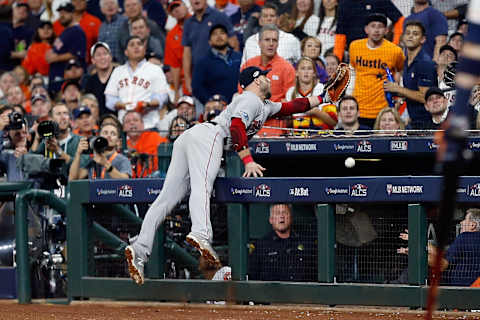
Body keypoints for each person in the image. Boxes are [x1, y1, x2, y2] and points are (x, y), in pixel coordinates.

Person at [125, 66, 335, 285]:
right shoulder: (250, 99)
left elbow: (293, 106)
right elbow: (236, 127)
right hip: (211, 136)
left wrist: (323, 97)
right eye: (264, 76)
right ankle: (201, 234)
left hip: (191, 137)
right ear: (255, 81)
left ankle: (140, 249)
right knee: (202, 187)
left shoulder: (264, 105)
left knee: (165, 200)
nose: (269, 78)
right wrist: (248, 159)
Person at [349, 13, 404, 128]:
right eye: (373, 26)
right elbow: (352, 72)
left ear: (386, 30)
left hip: (383, 111)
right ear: (366, 29)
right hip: (359, 108)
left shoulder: (395, 51)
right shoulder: (355, 47)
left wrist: (398, 97)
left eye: (380, 26)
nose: (376, 30)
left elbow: (400, 71)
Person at [104, 35, 169, 129]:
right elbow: (109, 98)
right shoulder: (118, 71)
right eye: (132, 45)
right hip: (124, 125)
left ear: (144, 49)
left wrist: (147, 104)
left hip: (149, 125)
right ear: (126, 52)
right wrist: (123, 105)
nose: (136, 47)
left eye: (139, 44)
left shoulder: (155, 69)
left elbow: (162, 97)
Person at [384, 20, 436, 129]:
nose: (410, 36)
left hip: (427, 123)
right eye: (407, 33)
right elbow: (414, 90)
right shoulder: (406, 61)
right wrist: (399, 94)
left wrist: (398, 89)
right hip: (414, 121)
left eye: (415, 34)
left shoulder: (424, 62)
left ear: (423, 39)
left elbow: (424, 97)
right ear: (403, 37)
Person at [248, 203, 316, 281]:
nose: (281, 216)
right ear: (271, 219)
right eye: (277, 213)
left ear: (291, 217)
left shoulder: (305, 243)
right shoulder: (262, 246)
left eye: (285, 213)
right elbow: (253, 278)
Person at [182, 0, 238, 94]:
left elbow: (234, 43)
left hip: (221, 74)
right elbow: (187, 53)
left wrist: (234, 70)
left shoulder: (220, 16)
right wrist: (187, 79)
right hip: (199, 76)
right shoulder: (188, 23)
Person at [334, 0, 403, 61]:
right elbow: (340, 34)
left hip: (379, 53)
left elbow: (400, 20)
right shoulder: (344, 3)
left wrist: (395, 45)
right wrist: (337, 59)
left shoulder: (380, 1)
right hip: (355, 55)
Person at [241, 24, 295, 102]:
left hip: (277, 112)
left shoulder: (287, 68)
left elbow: (290, 98)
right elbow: (242, 92)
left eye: (274, 40)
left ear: (278, 44)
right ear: (259, 43)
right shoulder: (248, 65)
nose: (271, 44)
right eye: (267, 40)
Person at [192, 24, 242, 105]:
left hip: (240, 105)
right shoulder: (202, 62)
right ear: (209, 41)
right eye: (215, 34)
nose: (219, 36)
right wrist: (210, 102)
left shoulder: (239, 56)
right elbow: (197, 87)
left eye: (222, 33)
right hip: (217, 109)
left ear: (228, 38)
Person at [429, 209, 480, 286]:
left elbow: (442, 265)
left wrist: (417, 254)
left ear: (473, 225)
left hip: (461, 291)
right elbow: (443, 254)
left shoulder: (465, 237)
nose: (461, 222)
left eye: (465, 220)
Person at [46, 1, 86, 96]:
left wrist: (54, 58)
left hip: (67, 78)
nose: (62, 15)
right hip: (57, 76)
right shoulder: (66, 31)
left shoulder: (77, 31)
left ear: (73, 13)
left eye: (65, 13)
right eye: (60, 13)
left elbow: (76, 54)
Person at [30, 102, 80, 169]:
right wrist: (37, 139)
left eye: (65, 113)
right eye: (58, 114)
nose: (63, 117)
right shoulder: (47, 141)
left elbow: (79, 168)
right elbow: (30, 164)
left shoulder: (78, 140)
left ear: (69, 118)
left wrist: (58, 150)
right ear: (51, 119)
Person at [123, 110, 167, 177]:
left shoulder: (154, 137)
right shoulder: (122, 146)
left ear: (142, 124)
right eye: (127, 121)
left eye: (135, 120)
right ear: (123, 128)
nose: (132, 123)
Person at [164, 0, 191, 103]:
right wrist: (176, 92)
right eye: (173, 9)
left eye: (178, 6)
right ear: (171, 14)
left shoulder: (200, 24)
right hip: (185, 85)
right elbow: (174, 66)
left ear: (186, 6)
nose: (177, 10)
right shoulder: (171, 35)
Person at [84, 42, 114, 116]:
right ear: (93, 60)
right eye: (98, 55)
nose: (102, 57)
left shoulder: (121, 75)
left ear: (110, 57)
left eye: (105, 54)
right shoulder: (90, 82)